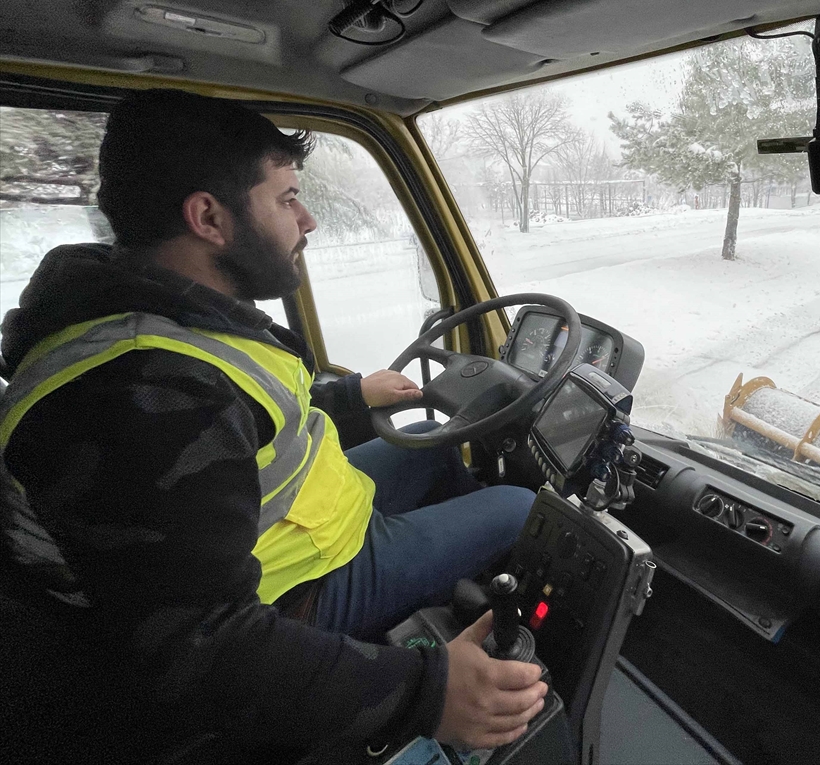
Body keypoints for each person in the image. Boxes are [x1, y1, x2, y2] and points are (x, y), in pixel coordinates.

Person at [0, 89, 545, 762]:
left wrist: (350, 397)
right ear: (208, 218)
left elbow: (250, 418)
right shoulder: (138, 395)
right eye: (286, 197)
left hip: (292, 527)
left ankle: (443, 594)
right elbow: (199, 644)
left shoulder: (162, 314)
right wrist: (423, 693)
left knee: (433, 458)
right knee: (524, 509)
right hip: (286, 595)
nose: (307, 219)